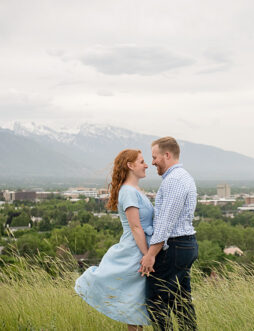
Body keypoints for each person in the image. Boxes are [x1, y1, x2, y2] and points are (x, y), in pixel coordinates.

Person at [74, 148, 153, 330]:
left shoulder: (135, 190)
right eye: (142, 162)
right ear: (130, 166)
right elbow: (135, 227)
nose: (146, 165)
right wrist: (147, 256)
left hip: (139, 250)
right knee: (132, 303)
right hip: (134, 252)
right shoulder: (128, 192)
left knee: (135, 304)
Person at [139, 137, 199, 331]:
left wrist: (150, 255)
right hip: (184, 246)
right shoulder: (182, 177)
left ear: (167, 155)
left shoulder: (174, 181)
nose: (153, 162)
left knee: (155, 300)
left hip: (174, 247)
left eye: (155, 157)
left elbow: (166, 223)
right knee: (181, 302)